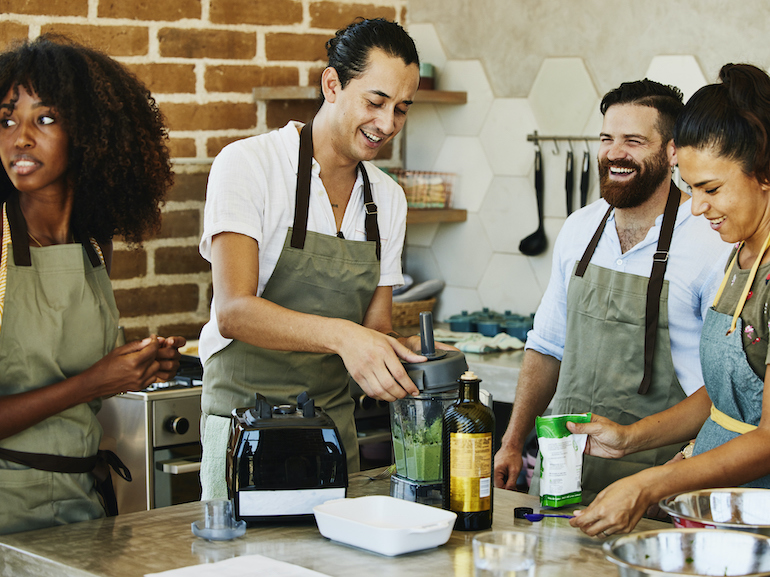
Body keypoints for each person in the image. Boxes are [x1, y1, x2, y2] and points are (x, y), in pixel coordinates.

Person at [198, 18, 448, 498]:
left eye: (401, 109)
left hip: (334, 435)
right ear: (331, 84)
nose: (387, 124)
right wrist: (343, 337)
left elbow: (374, 323)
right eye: (375, 102)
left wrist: (409, 361)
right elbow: (233, 312)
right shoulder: (249, 165)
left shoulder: (388, 200)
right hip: (244, 431)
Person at [493, 79, 731, 504]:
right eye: (607, 139)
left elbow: (722, 387)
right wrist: (512, 441)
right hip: (562, 473)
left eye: (634, 141)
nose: (614, 153)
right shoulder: (579, 228)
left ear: (672, 150)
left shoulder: (710, 243)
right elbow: (547, 346)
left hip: (658, 479)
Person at [567, 63, 770, 537]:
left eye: (712, 189)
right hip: (720, 513)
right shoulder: (741, 254)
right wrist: (629, 440)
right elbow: (726, 399)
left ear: (764, 173)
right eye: (690, 187)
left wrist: (650, 484)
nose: (697, 207)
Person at [0, 35, 186, 535]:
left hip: (83, 504)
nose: (19, 138)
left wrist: (135, 365)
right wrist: (95, 382)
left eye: (44, 118)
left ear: (88, 133)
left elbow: (71, 363)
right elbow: (82, 382)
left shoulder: (93, 246)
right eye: (6, 119)